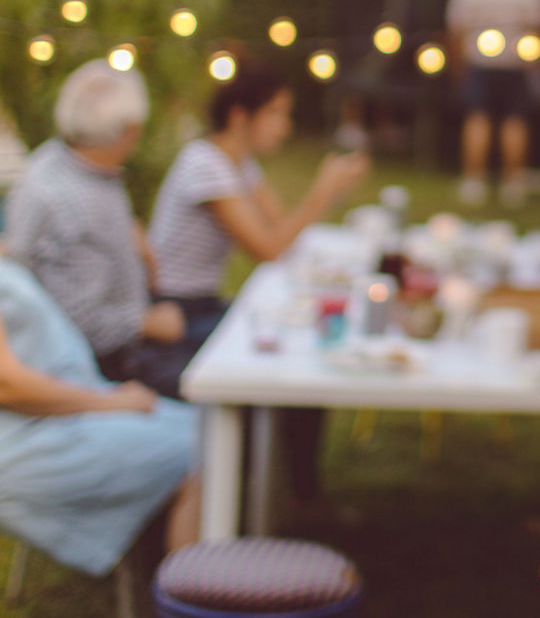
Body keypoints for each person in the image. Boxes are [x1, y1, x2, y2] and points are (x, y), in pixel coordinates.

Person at [148, 62, 368, 517]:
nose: (285, 128)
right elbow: (268, 248)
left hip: (201, 305)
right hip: (176, 312)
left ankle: (296, 494)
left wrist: (324, 197)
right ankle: (279, 498)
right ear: (239, 117)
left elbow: (282, 234)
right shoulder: (204, 165)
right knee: (292, 357)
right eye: (277, 114)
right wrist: (322, 193)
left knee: (305, 351)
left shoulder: (238, 165)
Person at [5, 60, 196, 398]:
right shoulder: (72, 200)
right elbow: (76, 324)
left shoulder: (56, 160)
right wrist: (147, 321)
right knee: (235, 386)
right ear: (130, 130)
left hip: (126, 337)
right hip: (105, 369)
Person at [0, 257, 199, 578]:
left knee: (209, 428)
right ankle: (196, 600)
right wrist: (109, 402)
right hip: (29, 443)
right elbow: (7, 386)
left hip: (60, 417)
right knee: (204, 450)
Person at [445, 0, 540, 207]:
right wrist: (535, 60)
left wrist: (457, 64)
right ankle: (513, 183)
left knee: (477, 117)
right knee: (515, 120)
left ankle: (474, 181)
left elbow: (457, 26)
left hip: (479, 59)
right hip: (516, 60)